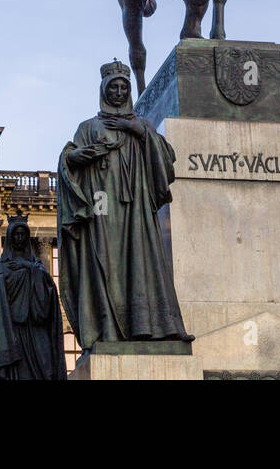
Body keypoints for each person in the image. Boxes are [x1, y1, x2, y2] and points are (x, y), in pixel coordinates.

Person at [56, 60, 192, 348]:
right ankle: (108, 328)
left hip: (136, 209)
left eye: (123, 87)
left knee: (142, 262)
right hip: (102, 209)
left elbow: (166, 161)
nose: (118, 92)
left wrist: (137, 130)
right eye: (113, 87)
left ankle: (150, 326)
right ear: (103, 90)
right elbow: (70, 160)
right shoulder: (88, 128)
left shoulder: (141, 126)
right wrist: (73, 158)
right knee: (105, 262)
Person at [0, 216, 67, 380]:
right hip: (11, 329)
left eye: (22, 235)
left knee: (46, 367)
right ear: (10, 237)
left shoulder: (37, 266)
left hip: (34, 326)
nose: (19, 238)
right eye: (16, 235)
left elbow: (47, 298)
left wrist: (30, 269)